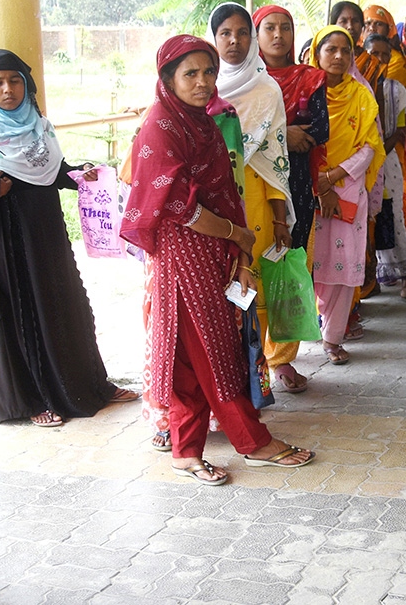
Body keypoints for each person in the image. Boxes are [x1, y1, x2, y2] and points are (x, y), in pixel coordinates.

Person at [121, 35, 315, 485]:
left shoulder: (203, 123)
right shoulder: (160, 127)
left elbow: (228, 192)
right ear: (168, 78)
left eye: (209, 72)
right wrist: (236, 235)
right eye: (190, 73)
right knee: (213, 352)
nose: (203, 82)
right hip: (184, 255)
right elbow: (179, 207)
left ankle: (186, 451)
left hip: (215, 248)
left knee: (192, 357)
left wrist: (240, 250)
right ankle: (253, 442)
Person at [0, 49, 138, 427]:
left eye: (15, 81)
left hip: (46, 232)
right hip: (3, 238)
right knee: (20, 311)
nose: (8, 90)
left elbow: (48, 173)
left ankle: (89, 385)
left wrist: (78, 174)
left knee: (66, 303)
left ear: (27, 85)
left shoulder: (39, 127)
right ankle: (31, 401)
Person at [207, 2, 296, 379]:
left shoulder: (267, 90)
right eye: (225, 33)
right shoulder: (199, 84)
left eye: (242, 33)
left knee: (256, 287)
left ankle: (263, 372)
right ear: (213, 38)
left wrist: (280, 219)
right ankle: (226, 373)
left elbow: (275, 157)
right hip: (212, 204)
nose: (234, 41)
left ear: (252, 38)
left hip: (256, 201)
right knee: (218, 289)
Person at [253, 4, 331, 393]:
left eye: (285, 27)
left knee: (290, 267)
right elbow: (239, 129)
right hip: (253, 186)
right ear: (257, 34)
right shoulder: (243, 81)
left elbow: (320, 129)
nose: (278, 35)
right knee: (253, 269)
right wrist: (286, 133)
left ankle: (282, 357)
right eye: (269, 27)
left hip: (297, 185)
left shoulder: (310, 78)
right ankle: (253, 357)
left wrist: (277, 133)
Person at [307, 26, 387, 365]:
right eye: (331, 49)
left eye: (345, 51)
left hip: (348, 186)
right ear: (317, 54)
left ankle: (332, 337)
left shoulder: (361, 94)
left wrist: (332, 177)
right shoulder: (305, 92)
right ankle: (307, 326)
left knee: (344, 263)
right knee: (310, 262)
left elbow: (370, 146)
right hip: (308, 187)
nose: (339, 56)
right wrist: (318, 182)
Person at [364, 33, 406, 308]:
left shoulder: (395, 89)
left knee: (394, 218)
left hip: (386, 162)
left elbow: (401, 131)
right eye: (373, 54)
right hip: (357, 167)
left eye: (384, 55)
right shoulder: (354, 88)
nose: (379, 60)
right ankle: (370, 280)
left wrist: (376, 152)